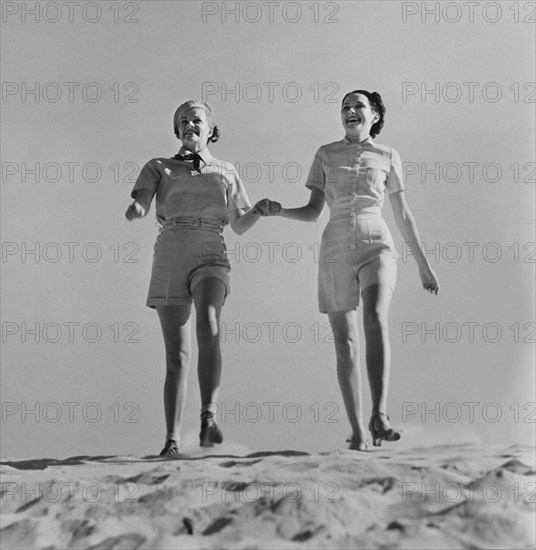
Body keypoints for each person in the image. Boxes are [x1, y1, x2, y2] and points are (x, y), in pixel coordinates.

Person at [256, 90, 439, 451]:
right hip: (335, 247)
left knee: (375, 318)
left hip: (377, 245)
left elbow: (402, 213)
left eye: (359, 106)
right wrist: (279, 211)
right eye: (345, 107)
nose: (351, 111)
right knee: (345, 344)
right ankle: (357, 432)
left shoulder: (388, 155)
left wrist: (423, 265)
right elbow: (312, 211)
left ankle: (380, 415)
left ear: (374, 116)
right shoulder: (326, 154)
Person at [125, 99, 263, 456]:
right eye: (182, 121)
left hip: (210, 251)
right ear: (176, 131)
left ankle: (209, 416)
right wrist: (138, 208)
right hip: (171, 251)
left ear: (210, 129)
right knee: (177, 356)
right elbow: (142, 198)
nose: (189, 124)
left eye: (196, 119)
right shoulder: (159, 166)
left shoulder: (227, 171)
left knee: (210, 323)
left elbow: (240, 225)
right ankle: (171, 441)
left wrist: (259, 210)